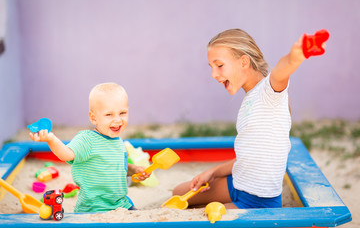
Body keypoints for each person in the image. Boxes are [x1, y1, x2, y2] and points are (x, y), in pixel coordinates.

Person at [173, 29, 327, 209]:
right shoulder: (250, 97)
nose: (214, 74)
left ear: (244, 62)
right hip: (237, 184)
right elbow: (249, 157)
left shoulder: (269, 92)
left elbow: (282, 71)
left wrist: (297, 55)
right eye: (211, 67)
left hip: (258, 202)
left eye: (219, 65)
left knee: (206, 218)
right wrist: (212, 172)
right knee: (179, 192)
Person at [29, 82, 150, 212]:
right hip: (94, 208)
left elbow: (117, 168)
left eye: (122, 113)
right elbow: (66, 154)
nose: (117, 120)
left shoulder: (117, 141)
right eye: (109, 114)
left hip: (121, 204)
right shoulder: (87, 140)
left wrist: (134, 170)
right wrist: (51, 139)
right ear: (93, 118)